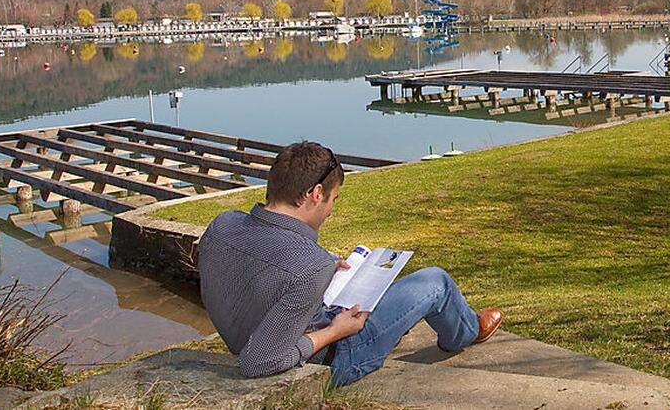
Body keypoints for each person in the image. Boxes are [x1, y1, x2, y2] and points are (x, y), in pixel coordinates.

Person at [196, 141, 502, 386]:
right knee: (436, 282)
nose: (330, 211)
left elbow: (258, 269)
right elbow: (258, 362)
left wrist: (325, 266)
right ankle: (465, 332)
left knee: (370, 282)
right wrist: (335, 331)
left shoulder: (223, 225)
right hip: (336, 357)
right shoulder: (308, 267)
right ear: (316, 194)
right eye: (333, 200)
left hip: (282, 327)